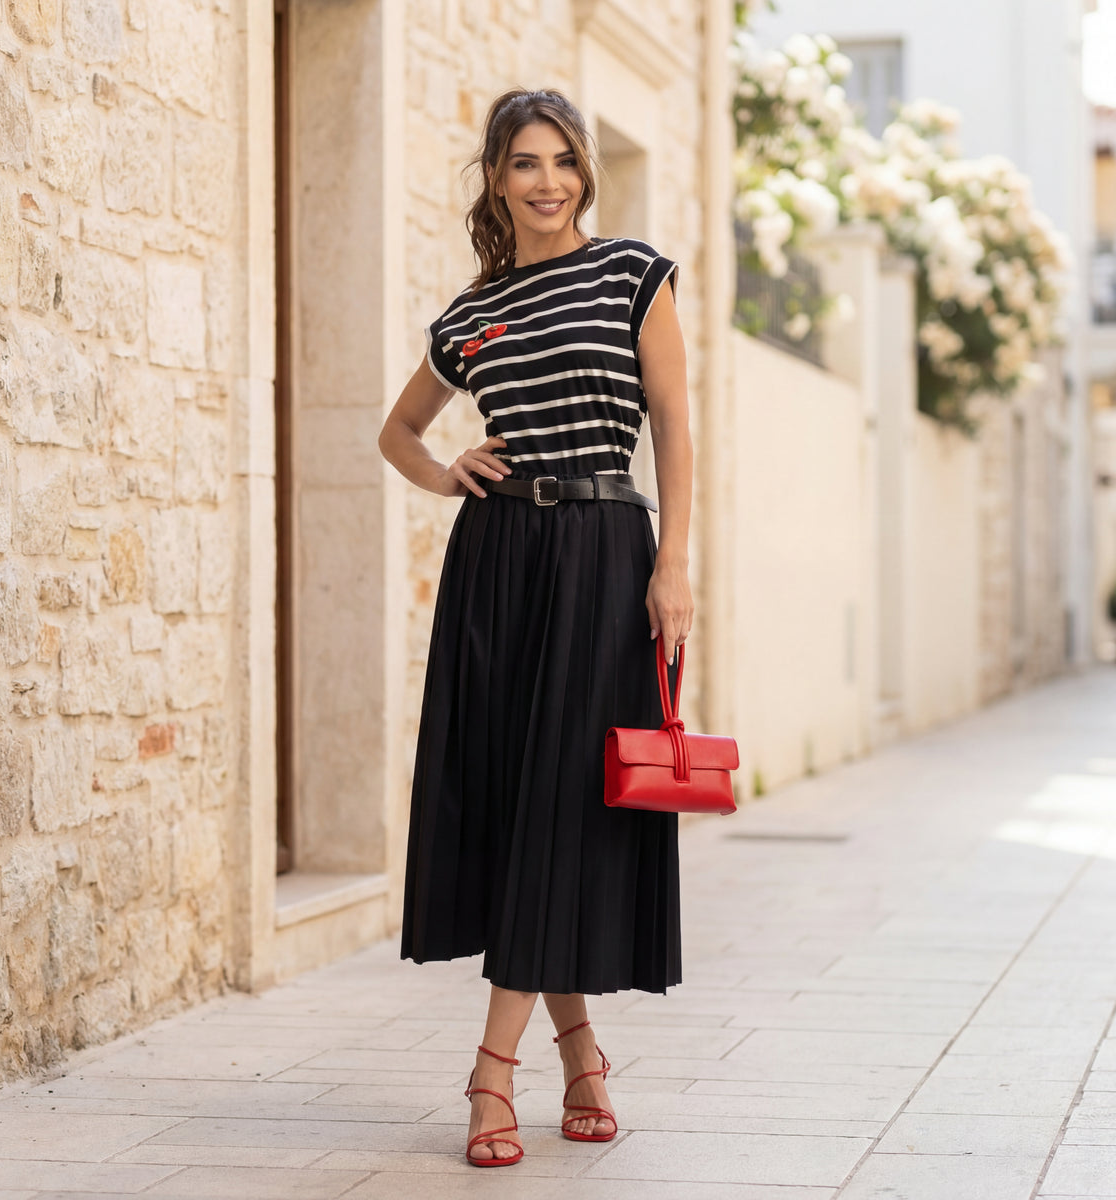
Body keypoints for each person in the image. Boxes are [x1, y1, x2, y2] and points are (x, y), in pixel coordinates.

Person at [378, 87, 693, 1167]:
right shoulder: (471, 315)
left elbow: (677, 433)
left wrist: (675, 565)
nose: (549, 180)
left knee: (565, 799)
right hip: (499, 562)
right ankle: (583, 1057)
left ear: (583, 174)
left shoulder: (630, 273)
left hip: (606, 556)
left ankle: (491, 1072)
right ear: (497, 178)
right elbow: (399, 431)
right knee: (522, 805)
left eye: (564, 161)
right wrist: (444, 470)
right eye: (525, 163)